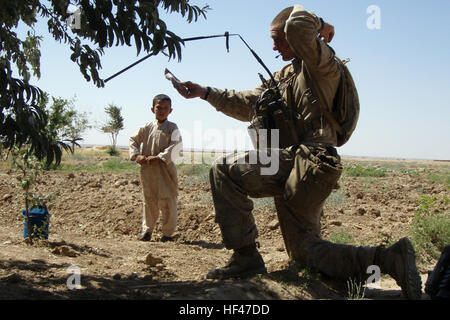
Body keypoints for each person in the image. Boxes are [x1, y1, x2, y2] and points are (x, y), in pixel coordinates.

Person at [171, 5, 422, 299]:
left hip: (311, 161)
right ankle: (389, 259)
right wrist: (205, 92)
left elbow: (299, 26)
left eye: (279, 39)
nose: (274, 47)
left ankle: (246, 257)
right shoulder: (284, 76)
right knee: (306, 253)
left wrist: (321, 23)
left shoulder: (321, 64)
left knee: (224, 170)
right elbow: (247, 102)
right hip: (294, 164)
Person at [129, 94, 182, 242]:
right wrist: (137, 156)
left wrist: (159, 157)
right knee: (149, 201)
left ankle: (167, 234)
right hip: (148, 171)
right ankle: (147, 231)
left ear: (170, 110)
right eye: (159, 107)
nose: (162, 110)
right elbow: (133, 140)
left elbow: (176, 145)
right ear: (152, 109)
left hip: (165, 172)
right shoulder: (147, 127)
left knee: (168, 203)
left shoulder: (172, 127)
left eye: (165, 108)